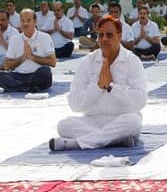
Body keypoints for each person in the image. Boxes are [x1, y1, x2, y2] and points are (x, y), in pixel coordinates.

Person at [49, 15, 147, 151]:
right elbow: (75, 104)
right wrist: (98, 87)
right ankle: (114, 140)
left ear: (119, 36)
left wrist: (111, 86)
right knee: (64, 125)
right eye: (100, 35)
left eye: (109, 35)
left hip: (122, 119)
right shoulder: (88, 61)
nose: (104, 39)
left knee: (134, 121)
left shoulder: (132, 61)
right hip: (93, 121)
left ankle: (76, 143)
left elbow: (140, 101)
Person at [0, 9, 56, 92]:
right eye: (22, 21)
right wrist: (23, 57)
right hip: (19, 75)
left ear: (35, 21)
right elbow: (7, 65)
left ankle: (20, 87)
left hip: (37, 74)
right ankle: (28, 87)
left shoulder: (45, 37)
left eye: (28, 20)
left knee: (45, 71)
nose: (25, 24)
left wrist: (32, 57)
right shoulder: (15, 39)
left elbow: (52, 62)